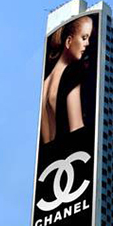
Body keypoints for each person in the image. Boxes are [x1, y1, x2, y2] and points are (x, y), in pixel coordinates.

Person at [40, 15, 93, 144]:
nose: (87, 43)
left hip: (51, 155)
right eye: (84, 38)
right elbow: (77, 129)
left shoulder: (45, 83)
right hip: (72, 153)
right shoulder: (73, 74)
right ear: (69, 41)